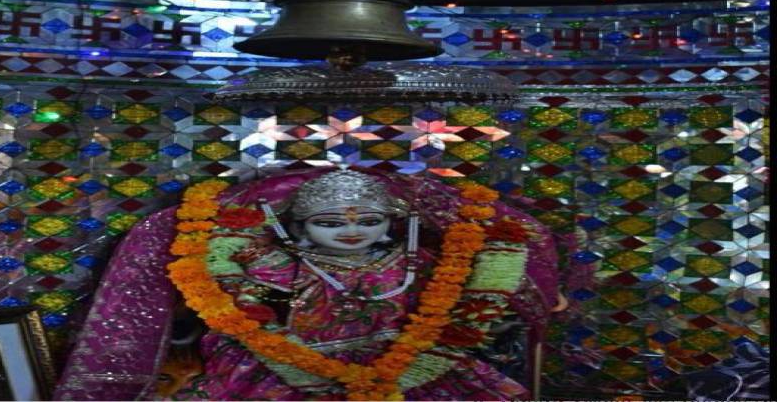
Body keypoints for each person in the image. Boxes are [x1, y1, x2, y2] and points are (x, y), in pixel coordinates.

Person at [53, 167, 562, 401]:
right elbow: (249, 307)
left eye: (369, 221)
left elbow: (477, 300)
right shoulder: (277, 264)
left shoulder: (421, 264)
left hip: (412, 373)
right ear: (298, 227)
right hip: (291, 371)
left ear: (394, 223)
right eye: (330, 223)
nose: (352, 231)